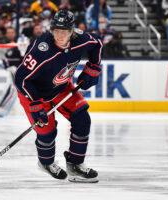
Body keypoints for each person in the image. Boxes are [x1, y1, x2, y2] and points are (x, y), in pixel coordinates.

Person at [14, 10, 103, 183]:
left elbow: (97, 45)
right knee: (47, 132)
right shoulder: (41, 49)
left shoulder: (81, 39)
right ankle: (46, 163)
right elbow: (21, 79)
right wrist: (36, 104)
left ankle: (75, 164)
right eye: (56, 31)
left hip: (62, 87)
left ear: (72, 31)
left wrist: (93, 69)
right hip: (35, 94)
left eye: (64, 32)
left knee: (83, 119)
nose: (60, 36)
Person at [0, 35, 30, 117]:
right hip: (15, 77)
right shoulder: (12, 52)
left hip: (28, 77)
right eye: (21, 44)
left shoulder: (32, 51)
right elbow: (5, 60)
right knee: (12, 90)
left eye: (24, 45)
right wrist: (8, 67)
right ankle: (2, 109)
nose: (22, 46)